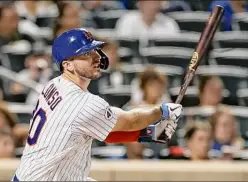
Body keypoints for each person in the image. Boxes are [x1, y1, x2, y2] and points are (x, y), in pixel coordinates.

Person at [12, 28, 183, 181]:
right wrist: (162, 110)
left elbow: (102, 130)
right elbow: (131, 121)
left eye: (94, 50)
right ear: (68, 65)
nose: (96, 57)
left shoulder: (54, 85)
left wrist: (148, 134)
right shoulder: (83, 103)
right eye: (85, 54)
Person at [125, 66, 170, 159]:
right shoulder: (130, 109)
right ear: (144, 86)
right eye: (152, 85)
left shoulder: (168, 109)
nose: (156, 89)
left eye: (159, 86)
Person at [115, 0, 180, 47]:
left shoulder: (169, 23)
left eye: (155, 2)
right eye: (147, 2)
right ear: (140, 3)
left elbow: (173, 49)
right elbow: (122, 47)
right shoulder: (127, 20)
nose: (151, 6)